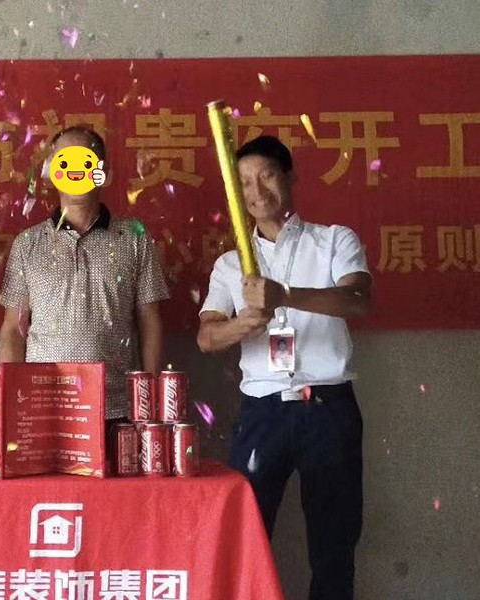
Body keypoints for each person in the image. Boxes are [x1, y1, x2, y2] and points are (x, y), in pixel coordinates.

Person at [196, 135, 371, 600]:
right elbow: (207, 337)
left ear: (291, 178)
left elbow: (358, 299)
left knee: (334, 546)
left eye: (267, 175)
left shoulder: (333, 240)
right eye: (244, 183)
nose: (257, 191)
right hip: (262, 412)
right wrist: (243, 324)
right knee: (245, 538)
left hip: (328, 408)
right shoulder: (231, 264)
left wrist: (285, 296)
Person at [0, 126, 169, 438]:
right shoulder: (28, 243)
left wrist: (149, 401)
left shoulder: (134, 238)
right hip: (43, 407)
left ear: (104, 174)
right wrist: (13, 401)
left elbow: (150, 322)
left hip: (116, 407)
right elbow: (13, 329)